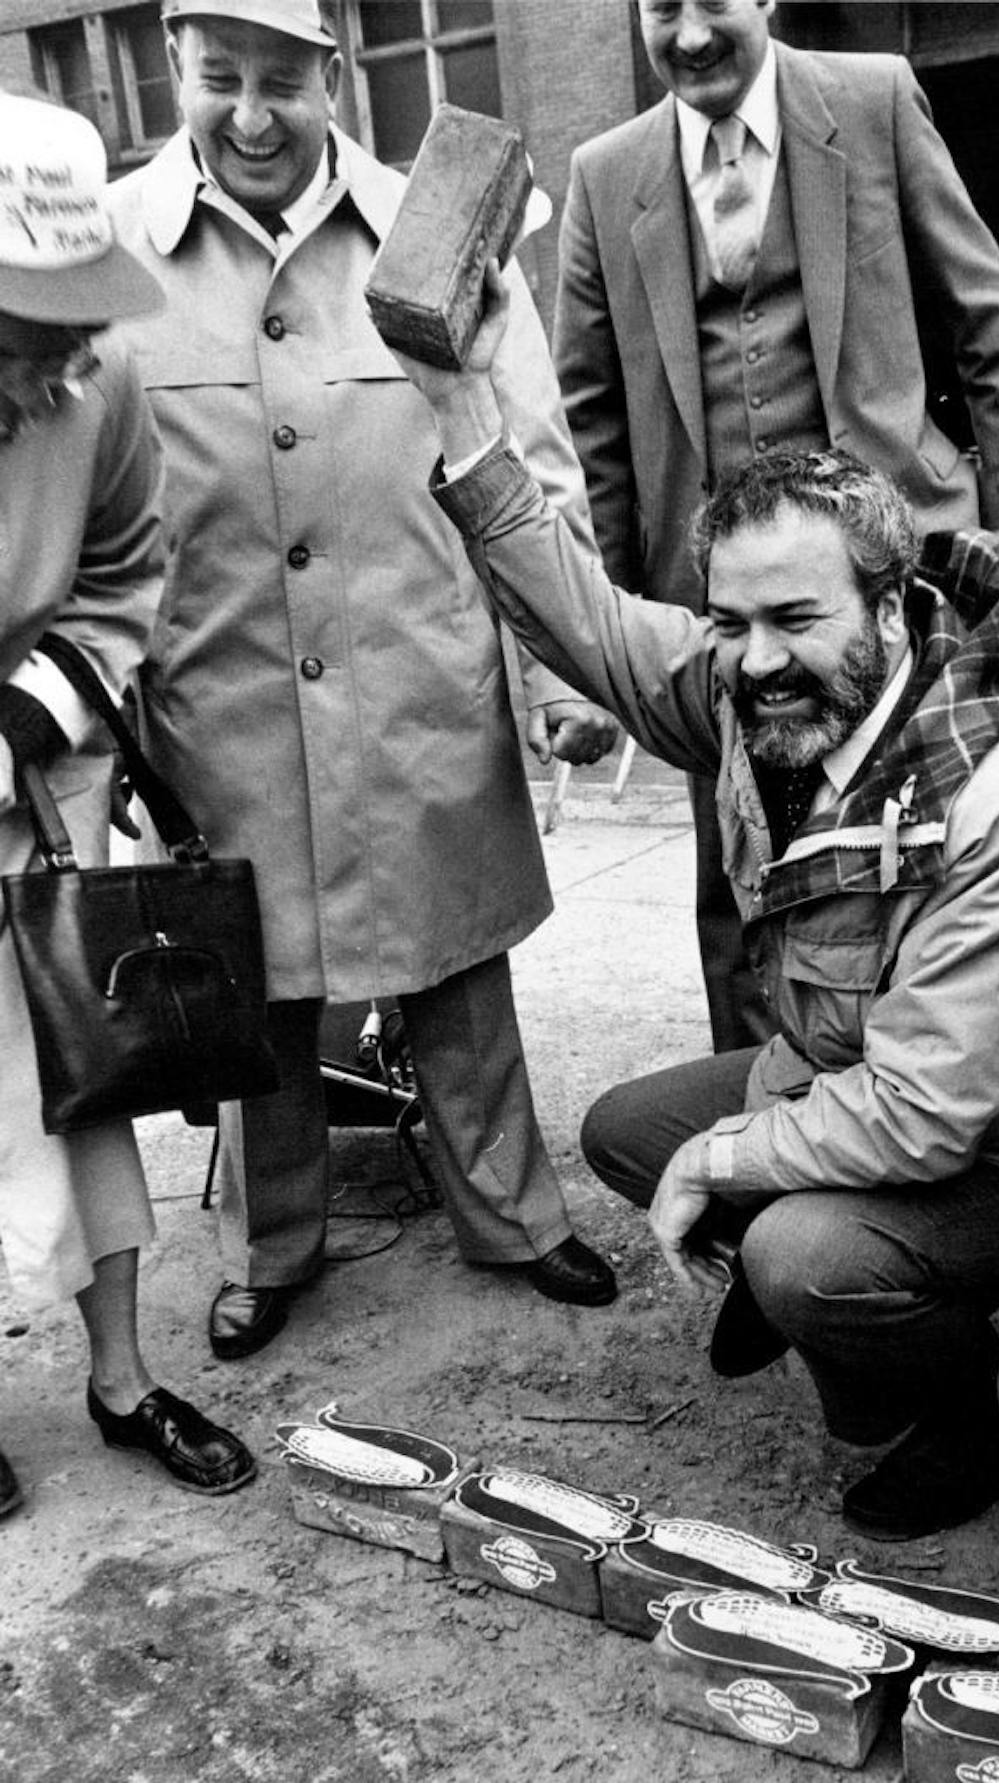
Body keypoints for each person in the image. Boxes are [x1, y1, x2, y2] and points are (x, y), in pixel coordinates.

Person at [393, 268, 999, 1541]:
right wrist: (461, 402)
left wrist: (726, 1158)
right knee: (625, 1129)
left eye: (794, 617)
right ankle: (810, 1261)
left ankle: (972, 1409)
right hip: (842, 1073)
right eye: (730, 620)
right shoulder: (762, 691)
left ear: (893, 607)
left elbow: (921, 1116)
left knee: (802, 1253)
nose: (753, 659)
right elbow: (589, 622)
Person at [106, 0, 620, 1363]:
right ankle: (271, 1244)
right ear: (176, 68)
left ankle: (514, 1213)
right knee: (253, 985)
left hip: (418, 675)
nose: (254, 114)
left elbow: (532, 454)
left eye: (284, 79)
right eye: (223, 80)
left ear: (333, 73)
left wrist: (566, 667)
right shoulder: (112, 251)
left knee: (458, 969)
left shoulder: (434, 222)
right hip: (222, 696)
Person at [555, 0, 999, 1053]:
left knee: (926, 855)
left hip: (891, 589)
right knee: (736, 885)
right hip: (721, 617)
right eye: (659, 7)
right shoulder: (604, 175)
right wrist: (605, 640)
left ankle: (933, 1099)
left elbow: (988, 327)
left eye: (711, 2)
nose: (687, 35)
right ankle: (755, 1132)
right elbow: (588, 421)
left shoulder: (869, 104)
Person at [0, 92, 254, 1509]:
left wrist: (25, 727)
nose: (51, 376)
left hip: (36, 781)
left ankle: (120, 1379)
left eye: (69, 338)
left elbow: (122, 581)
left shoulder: (102, 390)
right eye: (16, 341)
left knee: (85, 1087)